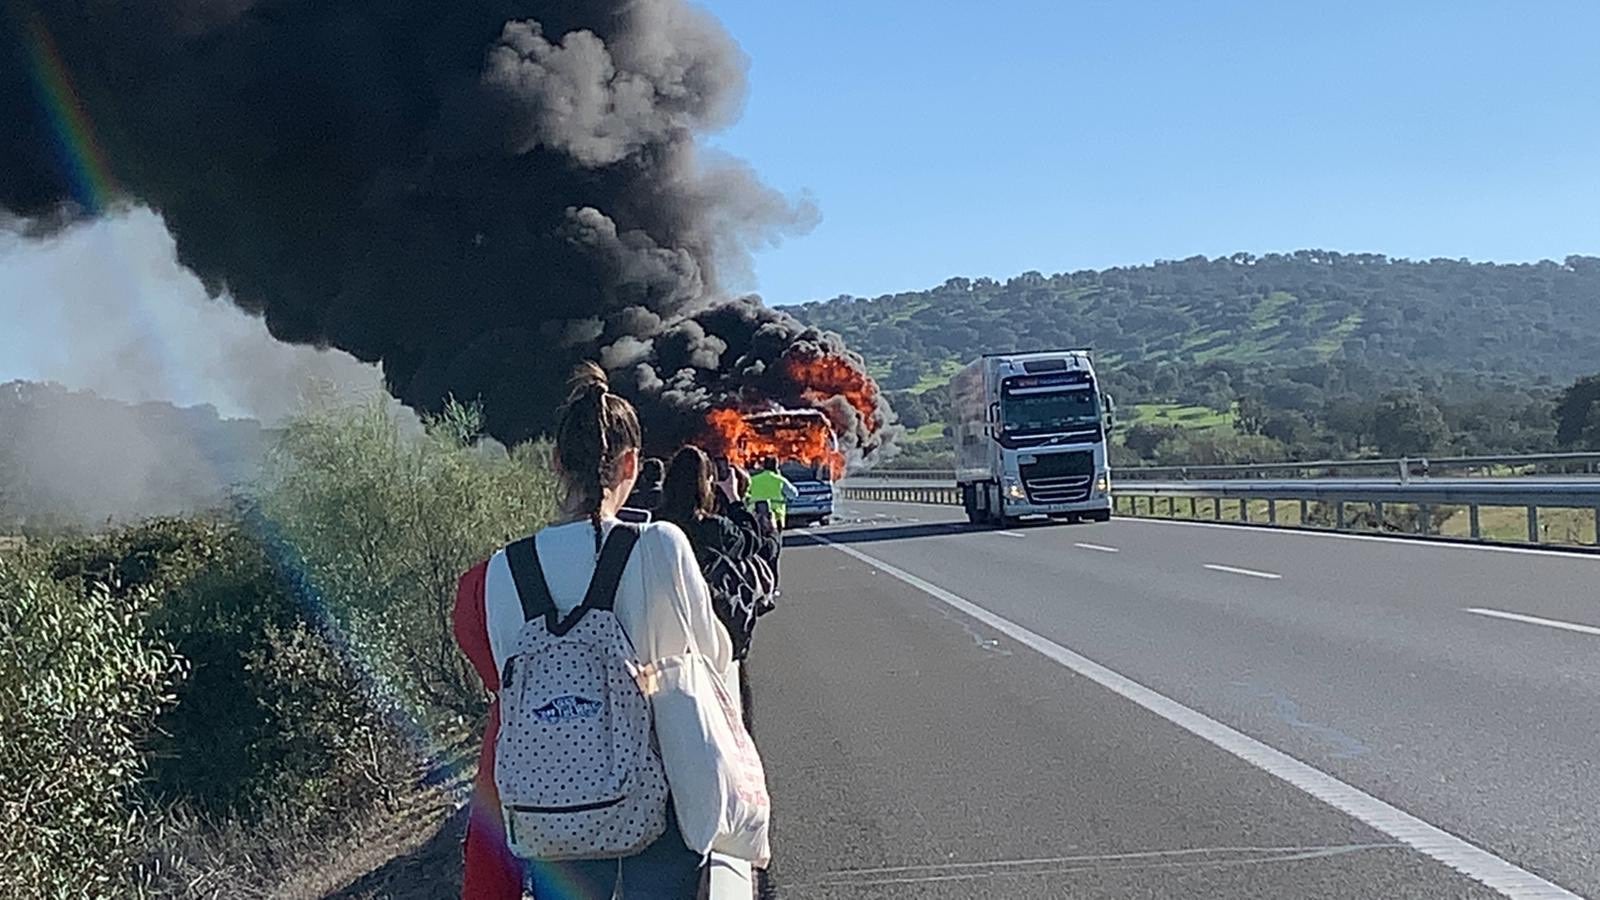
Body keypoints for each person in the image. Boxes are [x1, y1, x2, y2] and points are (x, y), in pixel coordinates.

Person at [452, 363, 733, 900]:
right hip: (657, 812)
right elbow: (712, 658)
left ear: (556, 463)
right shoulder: (660, 547)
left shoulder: (501, 573)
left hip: (549, 817)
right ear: (631, 463)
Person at [746, 456, 800, 529]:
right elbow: (794, 494)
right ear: (776, 466)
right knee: (776, 539)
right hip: (777, 516)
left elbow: (745, 495)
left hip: (755, 516)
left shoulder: (753, 480)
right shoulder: (780, 480)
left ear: (764, 466)